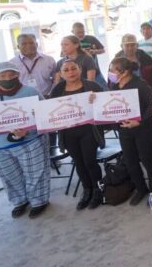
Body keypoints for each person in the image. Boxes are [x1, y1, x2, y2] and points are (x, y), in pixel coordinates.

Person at [0, 62, 50, 219]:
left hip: (30, 141)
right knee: (9, 175)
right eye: (2, 76)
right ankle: (20, 201)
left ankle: (39, 201)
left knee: (35, 172)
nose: (7, 78)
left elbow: (44, 114)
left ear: (18, 75)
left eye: (11, 74)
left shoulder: (31, 92)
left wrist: (29, 128)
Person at [50, 59, 105, 210]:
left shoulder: (93, 86)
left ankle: (98, 190)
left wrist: (97, 100)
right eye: (66, 70)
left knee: (90, 161)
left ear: (80, 69)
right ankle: (87, 191)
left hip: (89, 131)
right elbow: (50, 111)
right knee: (78, 162)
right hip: (68, 133)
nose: (70, 72)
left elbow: (105, 106)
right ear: (61, 74)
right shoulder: (56, 91)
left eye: (73, 68)